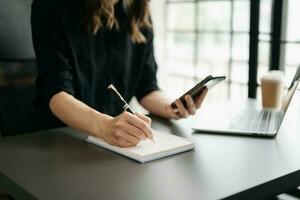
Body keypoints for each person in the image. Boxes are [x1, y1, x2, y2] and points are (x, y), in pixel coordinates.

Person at [30, 0, 208, 147]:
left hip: (115, 142)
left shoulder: (138, 11)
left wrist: (172, 108)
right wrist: (104, 126)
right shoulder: (50, 6)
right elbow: (56, 93)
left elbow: (147, 87)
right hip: (59, 140)